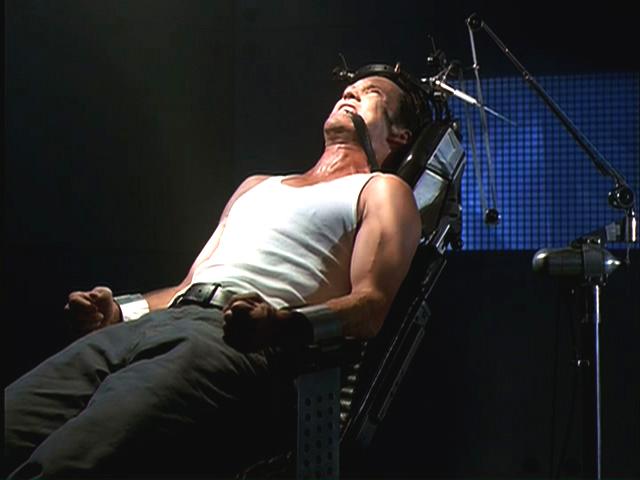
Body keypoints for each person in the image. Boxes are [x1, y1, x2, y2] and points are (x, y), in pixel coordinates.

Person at [5, 67, 430, 478]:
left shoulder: (381, 190)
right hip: (151, 326)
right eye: (349, 88)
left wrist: (281, 325)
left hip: (227, 344)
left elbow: (371, 306)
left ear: (399, 136)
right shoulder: (256, 186)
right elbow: (188, 285)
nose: (350, 93)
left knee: (68, 463)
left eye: (371, 93)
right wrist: (118, 310)